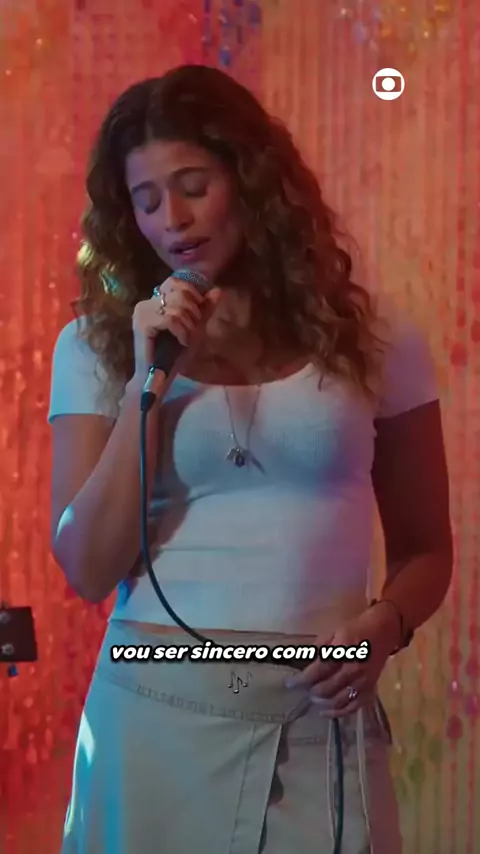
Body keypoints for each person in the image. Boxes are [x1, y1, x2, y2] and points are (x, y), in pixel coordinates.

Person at [48, 65, 452, 854]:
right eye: (147, 199)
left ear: (252, 179)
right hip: (153, 720)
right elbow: (87, 568)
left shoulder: (374, 335)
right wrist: (146, 384)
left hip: (317, 715)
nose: (173, 219)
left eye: (194, 186)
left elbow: (427, 550)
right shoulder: (99, 345)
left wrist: (384, 627)